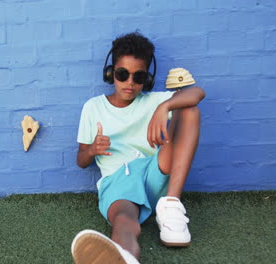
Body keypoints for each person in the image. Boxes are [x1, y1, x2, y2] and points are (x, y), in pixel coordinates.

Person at [71, 32, 206, 264]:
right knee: (125, 219)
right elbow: (81, 160)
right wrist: (92, 149)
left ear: (148, 79)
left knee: (189, 109)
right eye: (122, 74)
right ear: (110, 73)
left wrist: (165, 106)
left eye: (138, 76)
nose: (130, 83)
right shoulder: (93, 108)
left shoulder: (153, 101)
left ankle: (171, 205)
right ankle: (125, 258)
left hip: (154, 173)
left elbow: (198, 93)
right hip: (118, 181)